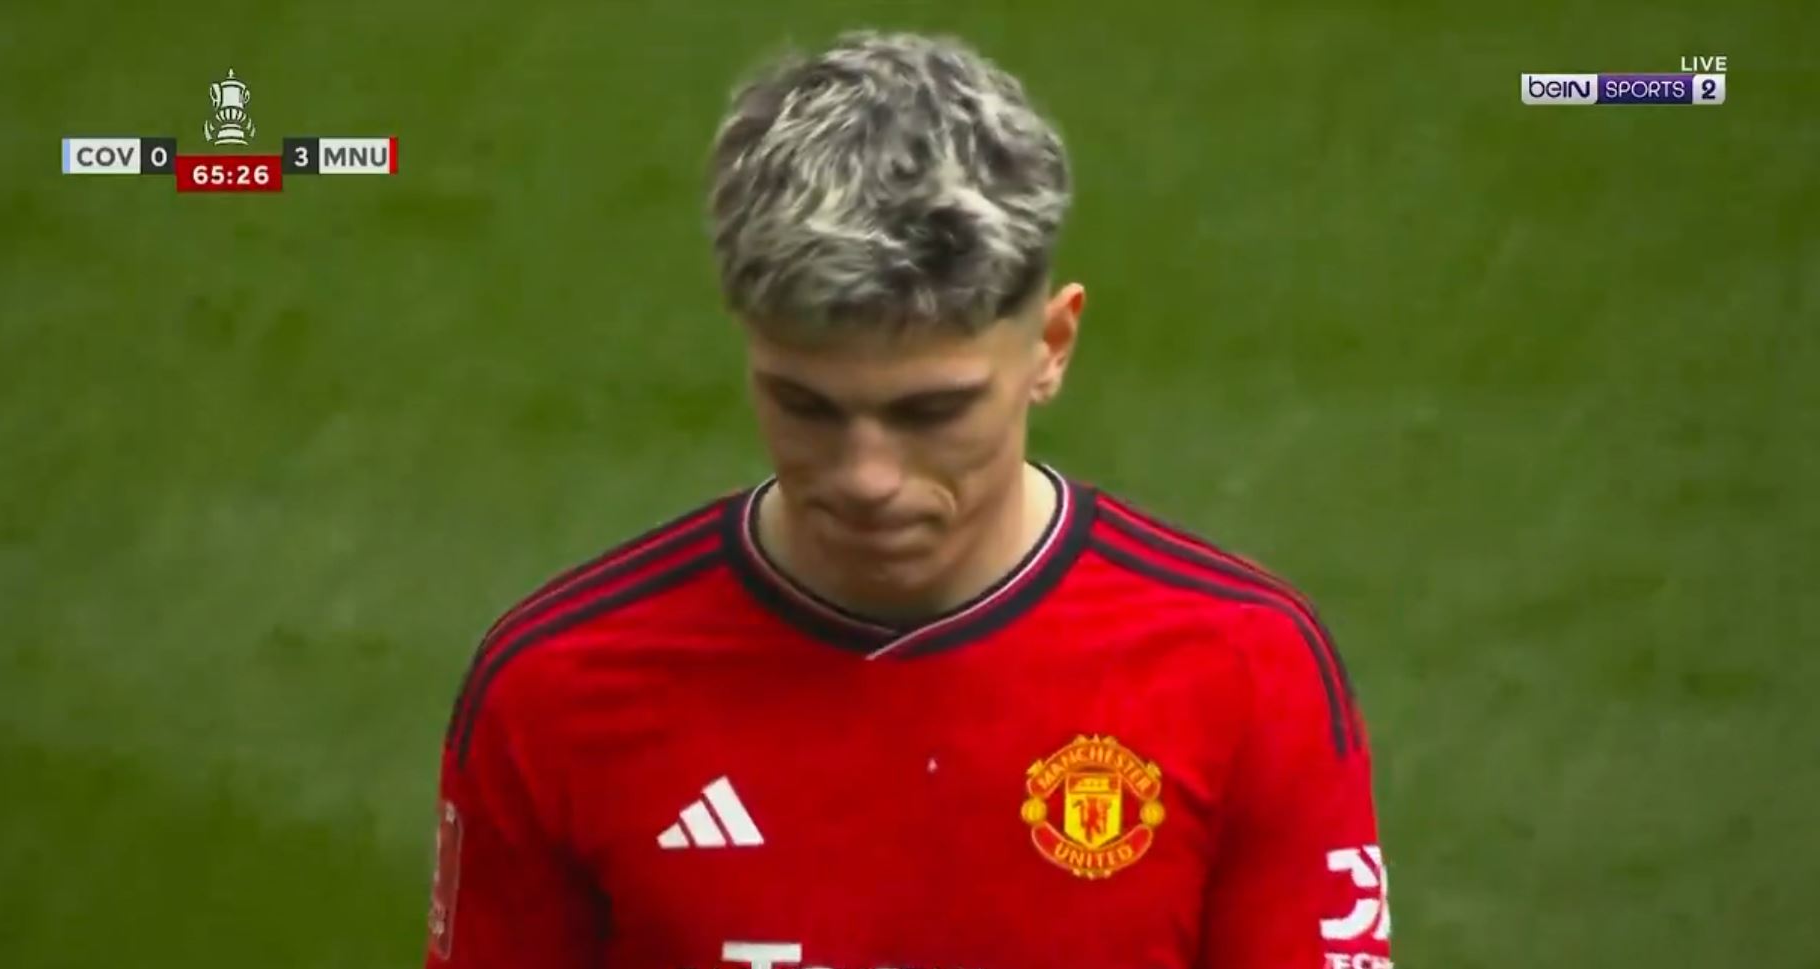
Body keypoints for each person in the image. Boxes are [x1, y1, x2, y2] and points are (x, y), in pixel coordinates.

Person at [427, 30, 1392, 969]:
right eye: (805, 404)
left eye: (932, 409)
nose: (864, 477)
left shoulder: (1245, 669)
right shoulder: (558, 691)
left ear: (1051, 347)